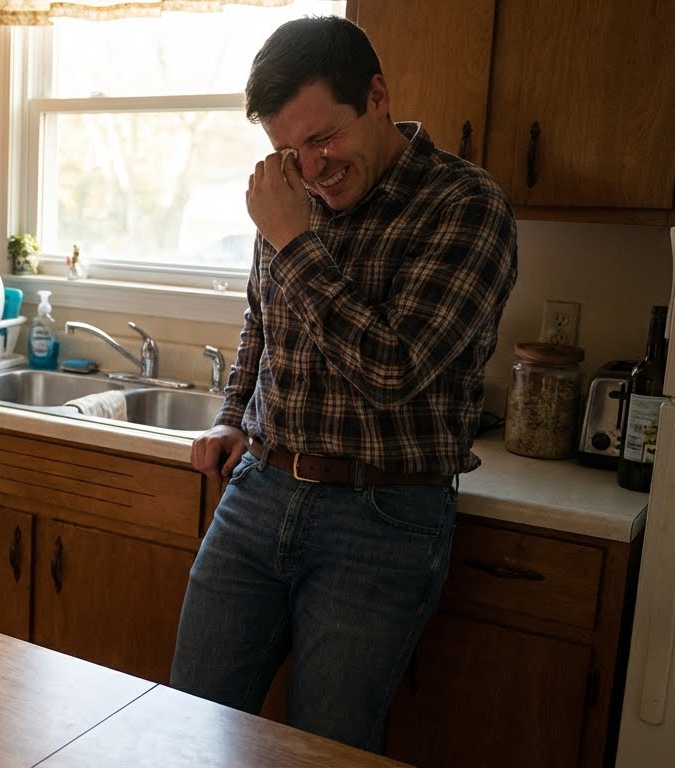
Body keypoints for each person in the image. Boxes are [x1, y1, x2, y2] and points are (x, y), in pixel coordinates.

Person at [170, 16, 517, 753]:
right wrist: (232, 414)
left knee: (324, 752)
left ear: (377, 97)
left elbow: (393, 373)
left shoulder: (464, 205)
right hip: (259, 491)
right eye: (288, 151)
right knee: (188, 727)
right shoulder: (289, 197)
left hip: (383, 516)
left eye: (323, 138)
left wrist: (293, 239)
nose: (310, 168)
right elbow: (261, 319)